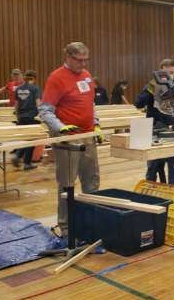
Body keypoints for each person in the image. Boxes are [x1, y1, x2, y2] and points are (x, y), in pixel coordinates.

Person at [39, 42, 102, 238]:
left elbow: (89, 104)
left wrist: (96, 123)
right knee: (67, 184)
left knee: (92, 181)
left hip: (87, 136)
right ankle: (66, 227)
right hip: (66, 139)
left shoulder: (86, 75)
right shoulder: (56, 78)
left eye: (86, 60)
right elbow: (45, 110)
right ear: (67, 56)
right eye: (79, 60)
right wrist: (60, 128)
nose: (83, 64)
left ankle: (90, 221)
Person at [135, 59, 174, 184]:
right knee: (153, 167)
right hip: (154, 131)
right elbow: (138, 103)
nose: (168, 76)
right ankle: (150, 193)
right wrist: (151, 91)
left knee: (173, 166)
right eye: (165, 73)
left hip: (172, 130)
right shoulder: (152, 85)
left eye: (171, 73)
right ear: (159, 72)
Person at [13, 70, 41, 170]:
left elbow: (16, 105)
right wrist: (42, 115)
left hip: (21, 117)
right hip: (32, 117)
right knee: (32, 140)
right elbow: (38, 102)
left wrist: (18, 116)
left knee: (26, 139)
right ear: (34, 78)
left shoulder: (18, 89)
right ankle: (27, 163)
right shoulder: (35, 88)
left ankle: (18, 155)